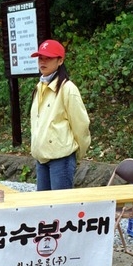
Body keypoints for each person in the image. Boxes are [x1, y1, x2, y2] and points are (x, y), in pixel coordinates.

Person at [29, 39, 91, 191]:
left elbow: (81, 125)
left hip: (61, 158)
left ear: (60, 60)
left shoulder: (68, 88)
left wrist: (78, 154)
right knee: (43, 207)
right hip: (41, 157)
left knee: (60, 209)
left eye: (48, 58)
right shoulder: (39, 87)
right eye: (40, 58)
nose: (43, 62)